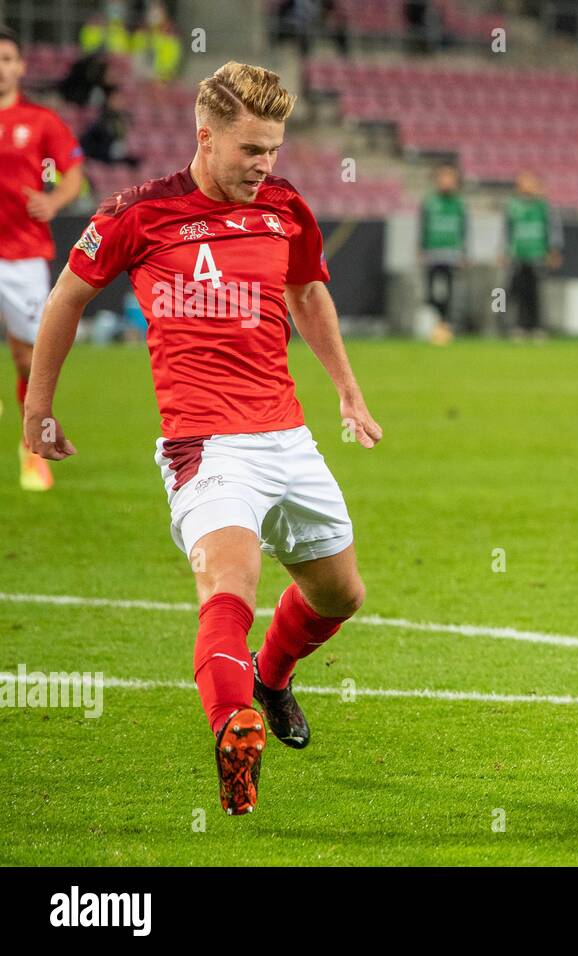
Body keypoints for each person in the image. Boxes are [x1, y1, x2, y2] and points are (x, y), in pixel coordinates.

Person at [24, 61, 383, 816]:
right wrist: (38, 407)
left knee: (340, 593)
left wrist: (347, 389)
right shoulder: (139, 213)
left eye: (275, 149)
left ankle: (272, 678)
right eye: (251, 149)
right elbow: (66, 296)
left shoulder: (283, 206)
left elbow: (309, 291)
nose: (264, 165)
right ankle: (235, 726)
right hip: (207, 446)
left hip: (288, 437)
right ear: (206, 135)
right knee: (230, 585)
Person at [0, 26, 85, 491]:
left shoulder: (41, 121)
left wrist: (53, 203)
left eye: (7, 58)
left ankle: (29, 448)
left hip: (23, 255)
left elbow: (72, 171)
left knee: (26, 358)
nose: (1, 67)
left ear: (20, 66)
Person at [503, 170, 561, 340]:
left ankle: (538, 327)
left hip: (537, 254)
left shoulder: (543, 206)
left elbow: (552, 229)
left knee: (535, 293)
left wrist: (553, 250)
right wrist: (504, 251)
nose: (526, 186)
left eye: (530, 182)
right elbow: (507, 231)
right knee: (516, 292)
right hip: (518, 255)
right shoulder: (512, 205)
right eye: (523, 182)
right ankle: (518, 326)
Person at [420, 163, 467, 339]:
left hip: (452, 254)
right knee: (430, 292)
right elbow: (423, 227)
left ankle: (445, 325)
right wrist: (421, 248)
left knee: (449, 292)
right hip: (432, 253)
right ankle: (436, 321)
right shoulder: (429, 203)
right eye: (443, 178)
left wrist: (464, 252)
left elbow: (464, 229)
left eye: (450, 179)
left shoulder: (459, 204)